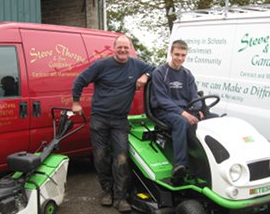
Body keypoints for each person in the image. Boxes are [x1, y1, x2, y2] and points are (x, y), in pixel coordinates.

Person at [71, 35, 154, 213]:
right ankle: (107, 191)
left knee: (122, 158)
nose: (123, 50)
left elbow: (156, 69)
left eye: (126, 47)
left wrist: (146, 76)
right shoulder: (101, 65)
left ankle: (120, 197)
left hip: (119, 120)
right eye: (120, 47)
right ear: (113, 48)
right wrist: (76, 103)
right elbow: (79, 81)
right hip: (99, 118)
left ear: (130, 49)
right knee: (100, 157)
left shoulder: (137, 64)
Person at [150, 39, 202, 183]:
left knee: (213, 118)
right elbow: (162, 100)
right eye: (177, 54)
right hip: (163, 110)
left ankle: (204, 160)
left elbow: (194, 95)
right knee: (181, 122)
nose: (180, 58)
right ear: (171, 53)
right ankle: (180, 164)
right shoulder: (160, 72)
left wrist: (198, 109)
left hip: (183, 109)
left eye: (183, 55)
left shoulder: (187, 74)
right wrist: (184, 113)